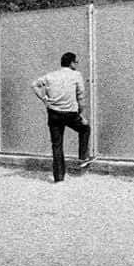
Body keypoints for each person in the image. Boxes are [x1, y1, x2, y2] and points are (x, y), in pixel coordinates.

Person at [31, 52, 94, 183]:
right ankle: (83, 157)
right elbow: (81, 97)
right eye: (76, 62)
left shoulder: (50, 76)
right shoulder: (76, 75)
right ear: (71, 63)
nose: (77, 64)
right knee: (85, 129)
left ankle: (58, 177)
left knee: (57, 145)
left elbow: (34, 85)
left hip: (53, 114)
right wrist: (81, 115)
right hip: (70, 113)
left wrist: (44, 99)